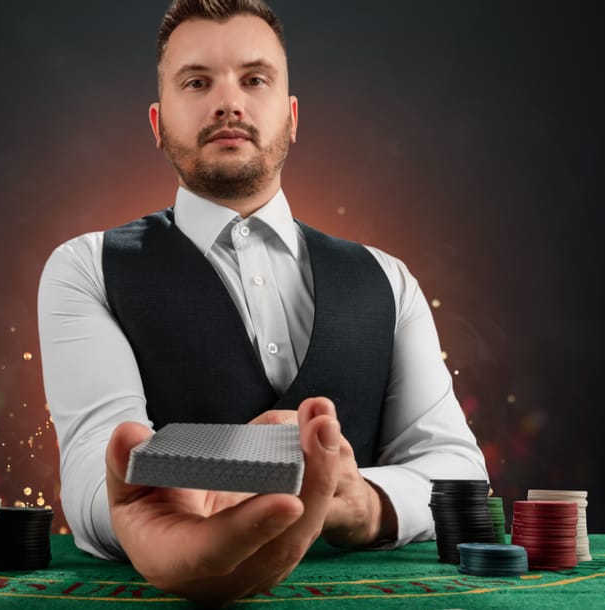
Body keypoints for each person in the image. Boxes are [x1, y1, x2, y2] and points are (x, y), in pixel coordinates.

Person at [37, 0, 489, 605]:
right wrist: (150, 516)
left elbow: (456, 469)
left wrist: (363, 504)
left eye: (254, 79)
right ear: (156, 122)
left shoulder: (389, 279)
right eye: (197, 82)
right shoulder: (84, 268)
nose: (229, 102)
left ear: (292, 115)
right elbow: (95, 465)